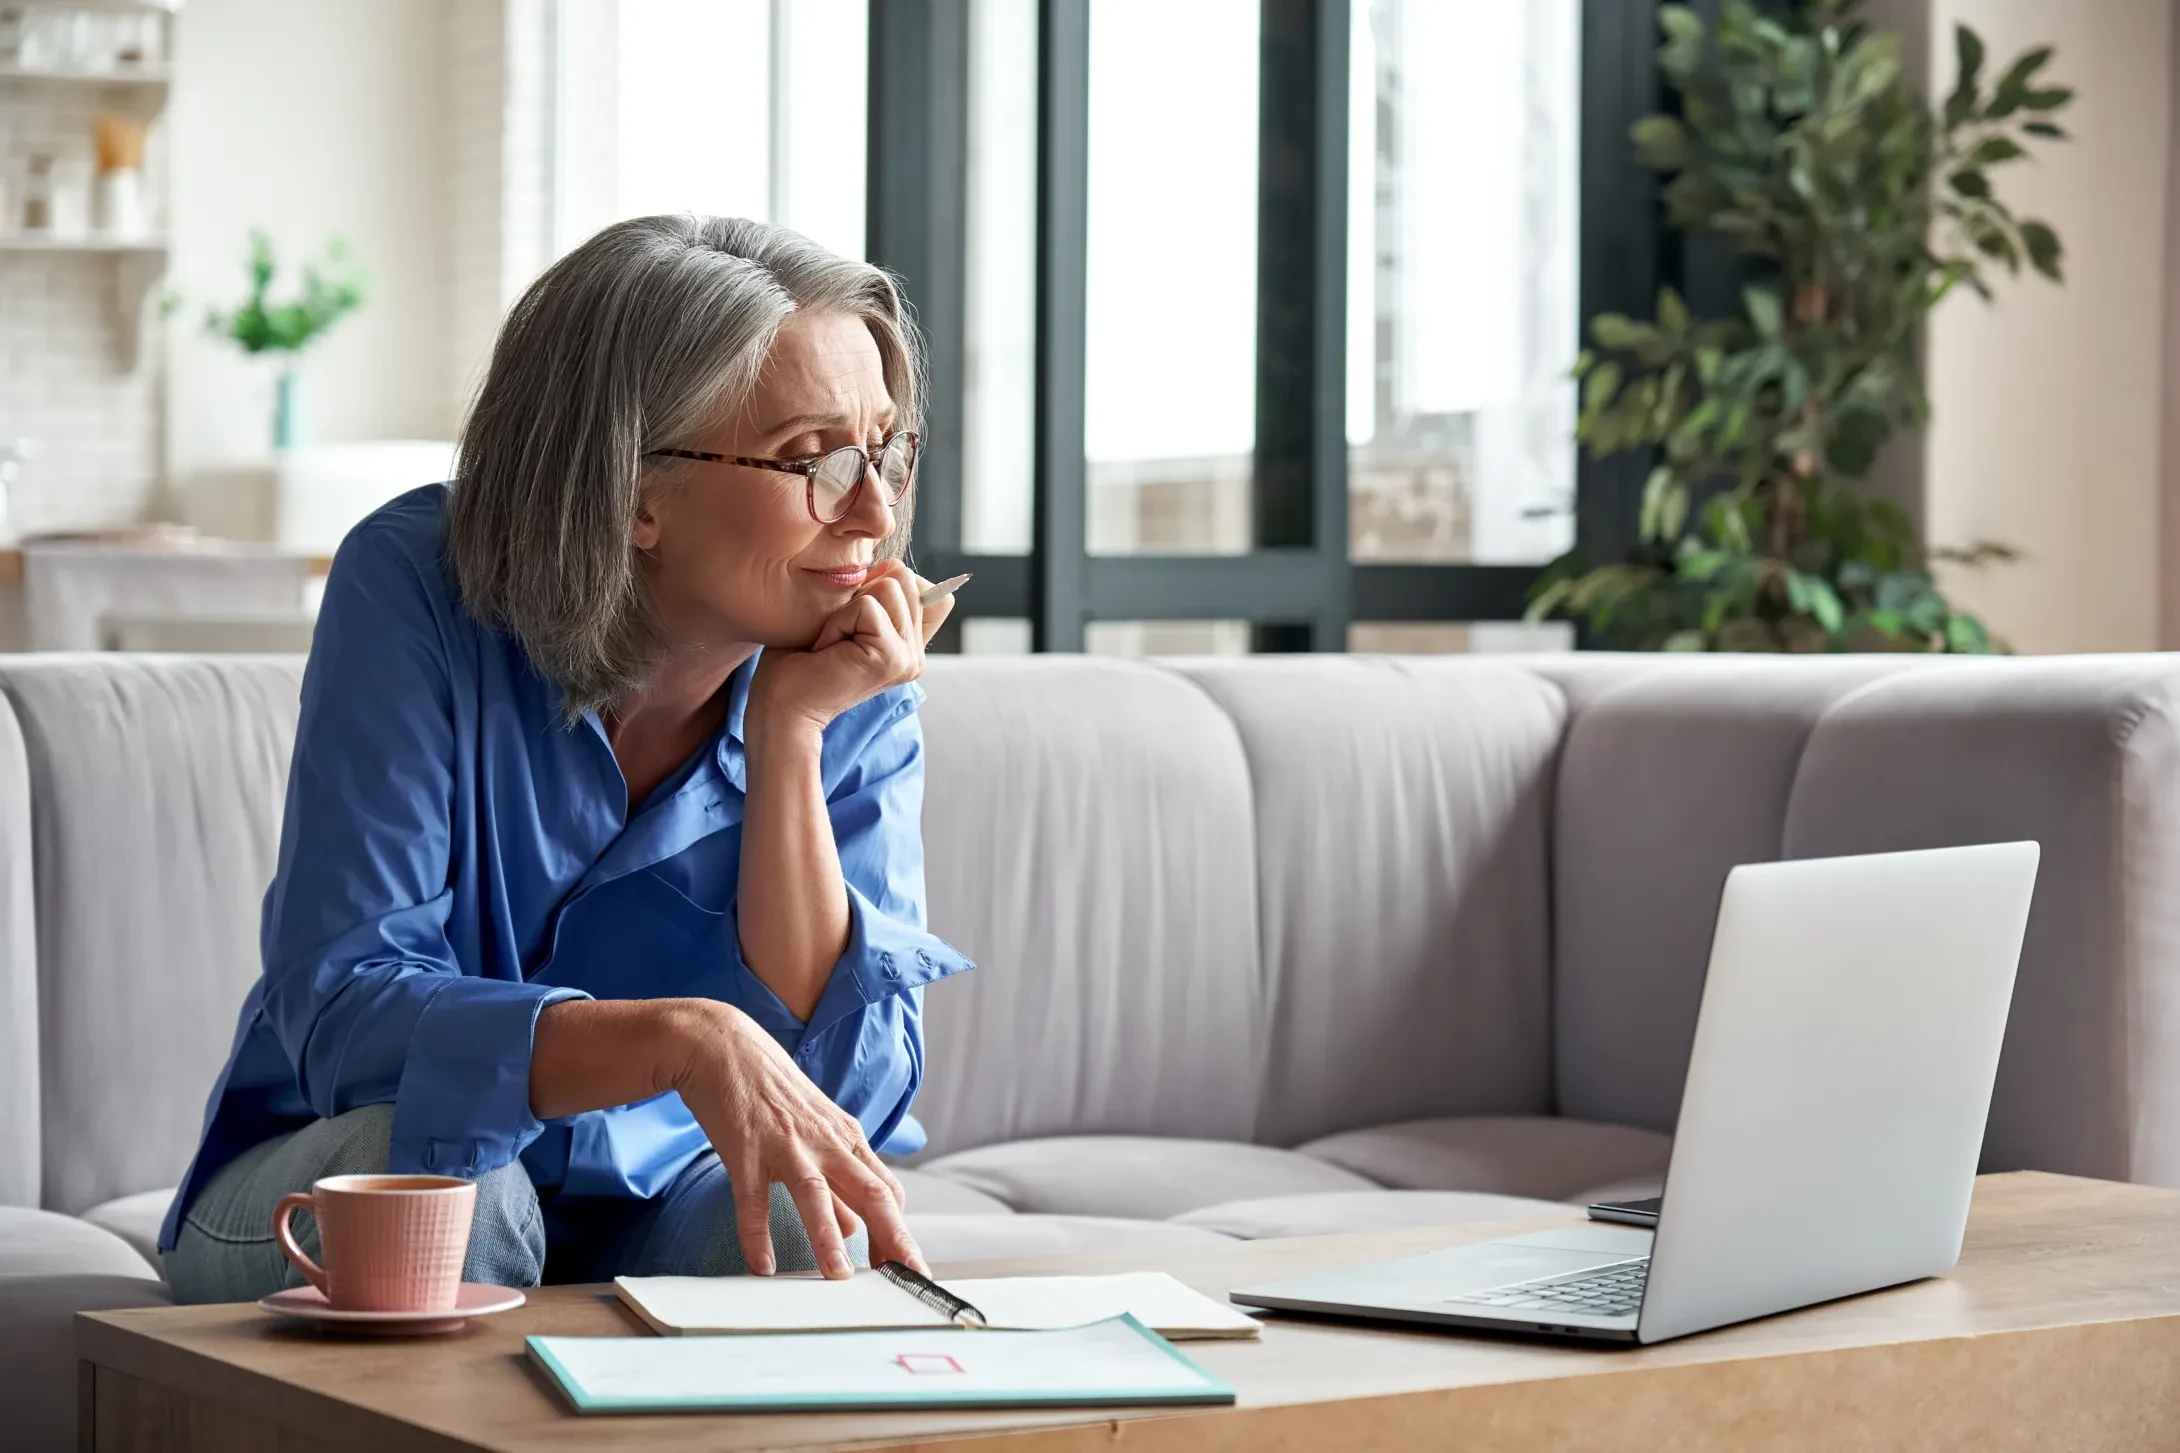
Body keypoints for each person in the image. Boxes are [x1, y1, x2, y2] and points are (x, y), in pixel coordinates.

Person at [160, 215, 974, 1302]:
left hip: (653, 1201)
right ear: (632, 489)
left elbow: (843, 1100)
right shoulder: (414, 586)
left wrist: (790, 739)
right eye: (810, 459)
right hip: (340, 1174)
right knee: (459, 1191)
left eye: (886, 450)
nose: (873, 512)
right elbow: (345, 1012)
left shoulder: (846, 662)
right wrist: (678, 1040)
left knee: (797, 1213)